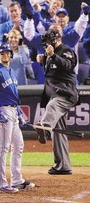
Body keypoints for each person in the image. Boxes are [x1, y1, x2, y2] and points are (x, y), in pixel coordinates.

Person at [0, 42, 35, 193]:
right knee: (2, 148)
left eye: (7, 52)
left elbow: (12, 95)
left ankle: (16, 180)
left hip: (12, 111)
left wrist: (19, 112)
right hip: (2, 110)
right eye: (2, 53)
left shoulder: (11, 71)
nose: (5, 55)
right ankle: (0, 184)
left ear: (11, 54)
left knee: (18, 145)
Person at [35, 29, 80, 175]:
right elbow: (51, 74)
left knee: (53, 106)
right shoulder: (49, 54)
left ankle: (44, 127)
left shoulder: (67, 51)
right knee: (58, 133)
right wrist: (44, 60)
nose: (46, 45)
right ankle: (63, 165)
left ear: (56, 39)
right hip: (54, 93)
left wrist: (52, 56)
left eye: (48, 41)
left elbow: (67, 65)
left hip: (66, 93)